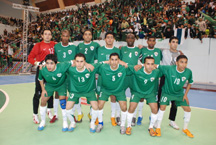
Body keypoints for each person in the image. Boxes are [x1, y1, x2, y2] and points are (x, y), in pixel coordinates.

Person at [155, 55, 194, 138]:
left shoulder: (188, 72)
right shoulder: (169, 68)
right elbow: (155, 65)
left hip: (179, 94)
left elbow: (190, 82)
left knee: (188, 109)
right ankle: (158, 127)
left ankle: (185, 129)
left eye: (185, 62)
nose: (184, 64)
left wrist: (185, 94)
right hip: (167, 93)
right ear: (176, 63)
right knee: (162, 108)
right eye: (181, 62)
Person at [126, 57, 162, 136]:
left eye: (152, 64)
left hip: (150, 93)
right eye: (148, 64)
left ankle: (151, 127)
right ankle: (128, 126)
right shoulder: (137, 70)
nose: (150, 66)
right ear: (144, 64)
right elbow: (126, 66)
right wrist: (139, 65)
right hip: (137, 92)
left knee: (155, 109)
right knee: (131, 107)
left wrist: (158, 66)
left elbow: (167, 70)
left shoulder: (156, 72)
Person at [96, 53, 130, 134]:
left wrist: (127, 64)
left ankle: (122, 125)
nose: (114, 62)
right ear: (109, 61)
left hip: (119, 90)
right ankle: (100, 123)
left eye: (116, 60)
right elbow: (94, 66)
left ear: (119, 61)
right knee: (99, 105)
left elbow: (135, 68)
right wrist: (104, 62)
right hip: (105, 90)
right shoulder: (103, 68)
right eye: (112, 60)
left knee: (124, 107)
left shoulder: (123, 68)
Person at [28, 29, 56, 124]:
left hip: (52, 72)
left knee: (50, 91)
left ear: (51, 36)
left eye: (49, 34)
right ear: (42, 36)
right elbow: (30, 58)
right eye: (45, 34)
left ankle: (49, 110)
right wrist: (37, 63)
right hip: (41, 72)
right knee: (38, 93)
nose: (47, 36)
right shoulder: (38, 45)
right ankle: (35, 114)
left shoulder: (54, 44)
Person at [65, 53, 99, 133]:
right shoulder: (70, 69)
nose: (79, 64)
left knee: (95, 106)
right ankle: (73, 123)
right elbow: (59, 65)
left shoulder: (91, 68)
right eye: (77, 61)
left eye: (81, 61)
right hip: (75, 91)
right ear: (74, 62)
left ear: (85, 62)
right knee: (68, 107)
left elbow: (104, 63)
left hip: (89, 91)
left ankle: (92, 123)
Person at [37, 54, 72, 131]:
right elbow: (40, 79)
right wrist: (43, 90)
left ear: (56, 63)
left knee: (62, 101)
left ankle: (65, 122)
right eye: (47, 63)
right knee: (43, 100)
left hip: (61, 85)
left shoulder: (62, 66)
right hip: (50, 85)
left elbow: (74, 62)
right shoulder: (42, 69)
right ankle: (43, 121)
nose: (49, 66)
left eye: (51, 63)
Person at [54, 30, 81, 122]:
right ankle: (55, 114)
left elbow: (78, 59)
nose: (65, 38)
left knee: (73, 93)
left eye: (67, 36)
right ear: (61, 36)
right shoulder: (56, 46)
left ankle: (73, 114)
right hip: (60, 74)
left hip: (71, 74)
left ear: (69, 37)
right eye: (63, 36)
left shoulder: (73, 47)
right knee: (57, 94)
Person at [96, 32, 121, 126]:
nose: (109, 39)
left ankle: (113, 117)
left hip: (113, 78)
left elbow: (120, 62)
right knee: (99, 97)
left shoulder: (117, 50)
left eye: (111, 37)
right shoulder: (99, 50)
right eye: (108, 38)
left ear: (114, 39)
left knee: (113, 96)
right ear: (105, 39)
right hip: (102, 77)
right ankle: (99, 117)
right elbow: (97, 62)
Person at [136, 36, 162, 125]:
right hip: (144, 76)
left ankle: (152, 117)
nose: (151, 42)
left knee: (153, 98)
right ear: (147, 42)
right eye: (150, 40)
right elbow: (139, 60)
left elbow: (161, 62)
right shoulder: (143, 50)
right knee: (141, 97)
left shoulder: (158, 51)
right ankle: (139, 116)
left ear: (155, 42)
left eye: (153, 41)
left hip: (154, 78)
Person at [159, 36, 183, 130]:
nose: (175, 44)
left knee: (175, 102)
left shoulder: (180, 55)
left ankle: (172, 121)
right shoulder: (164, 51)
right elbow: (153, 49)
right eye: (173, 42)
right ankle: (157, 118)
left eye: (176, 42)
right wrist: (142, 46)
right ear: (169, 43)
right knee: (161, 99)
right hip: (165, 78)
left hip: (175, 79)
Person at [120, 33, 142, 126]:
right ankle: (121, 117)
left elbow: (143, 62)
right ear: (126, 39)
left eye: (132, 38)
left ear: (134, 39)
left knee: (135, 96)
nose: (130, 39)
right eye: (128, 37)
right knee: (120, 96)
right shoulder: (121, 49)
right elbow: (118, 61)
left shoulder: (138, 50)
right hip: (123, 76)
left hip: (134, 76)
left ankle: (133, 116)